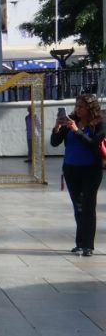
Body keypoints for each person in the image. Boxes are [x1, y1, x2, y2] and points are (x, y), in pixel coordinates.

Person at [51, 92, 105, 256]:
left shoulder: (99, 123)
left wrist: (77, 131)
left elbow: (94, 144)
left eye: (81, 107)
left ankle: (88, 245)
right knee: (78, 207)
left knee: (88, 206)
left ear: (90, 108)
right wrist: (57, 126)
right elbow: (54, 143)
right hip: (71, 169)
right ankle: (79, 243)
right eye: (77, 106)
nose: (78, 109)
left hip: (91, 170)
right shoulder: (70, 120)